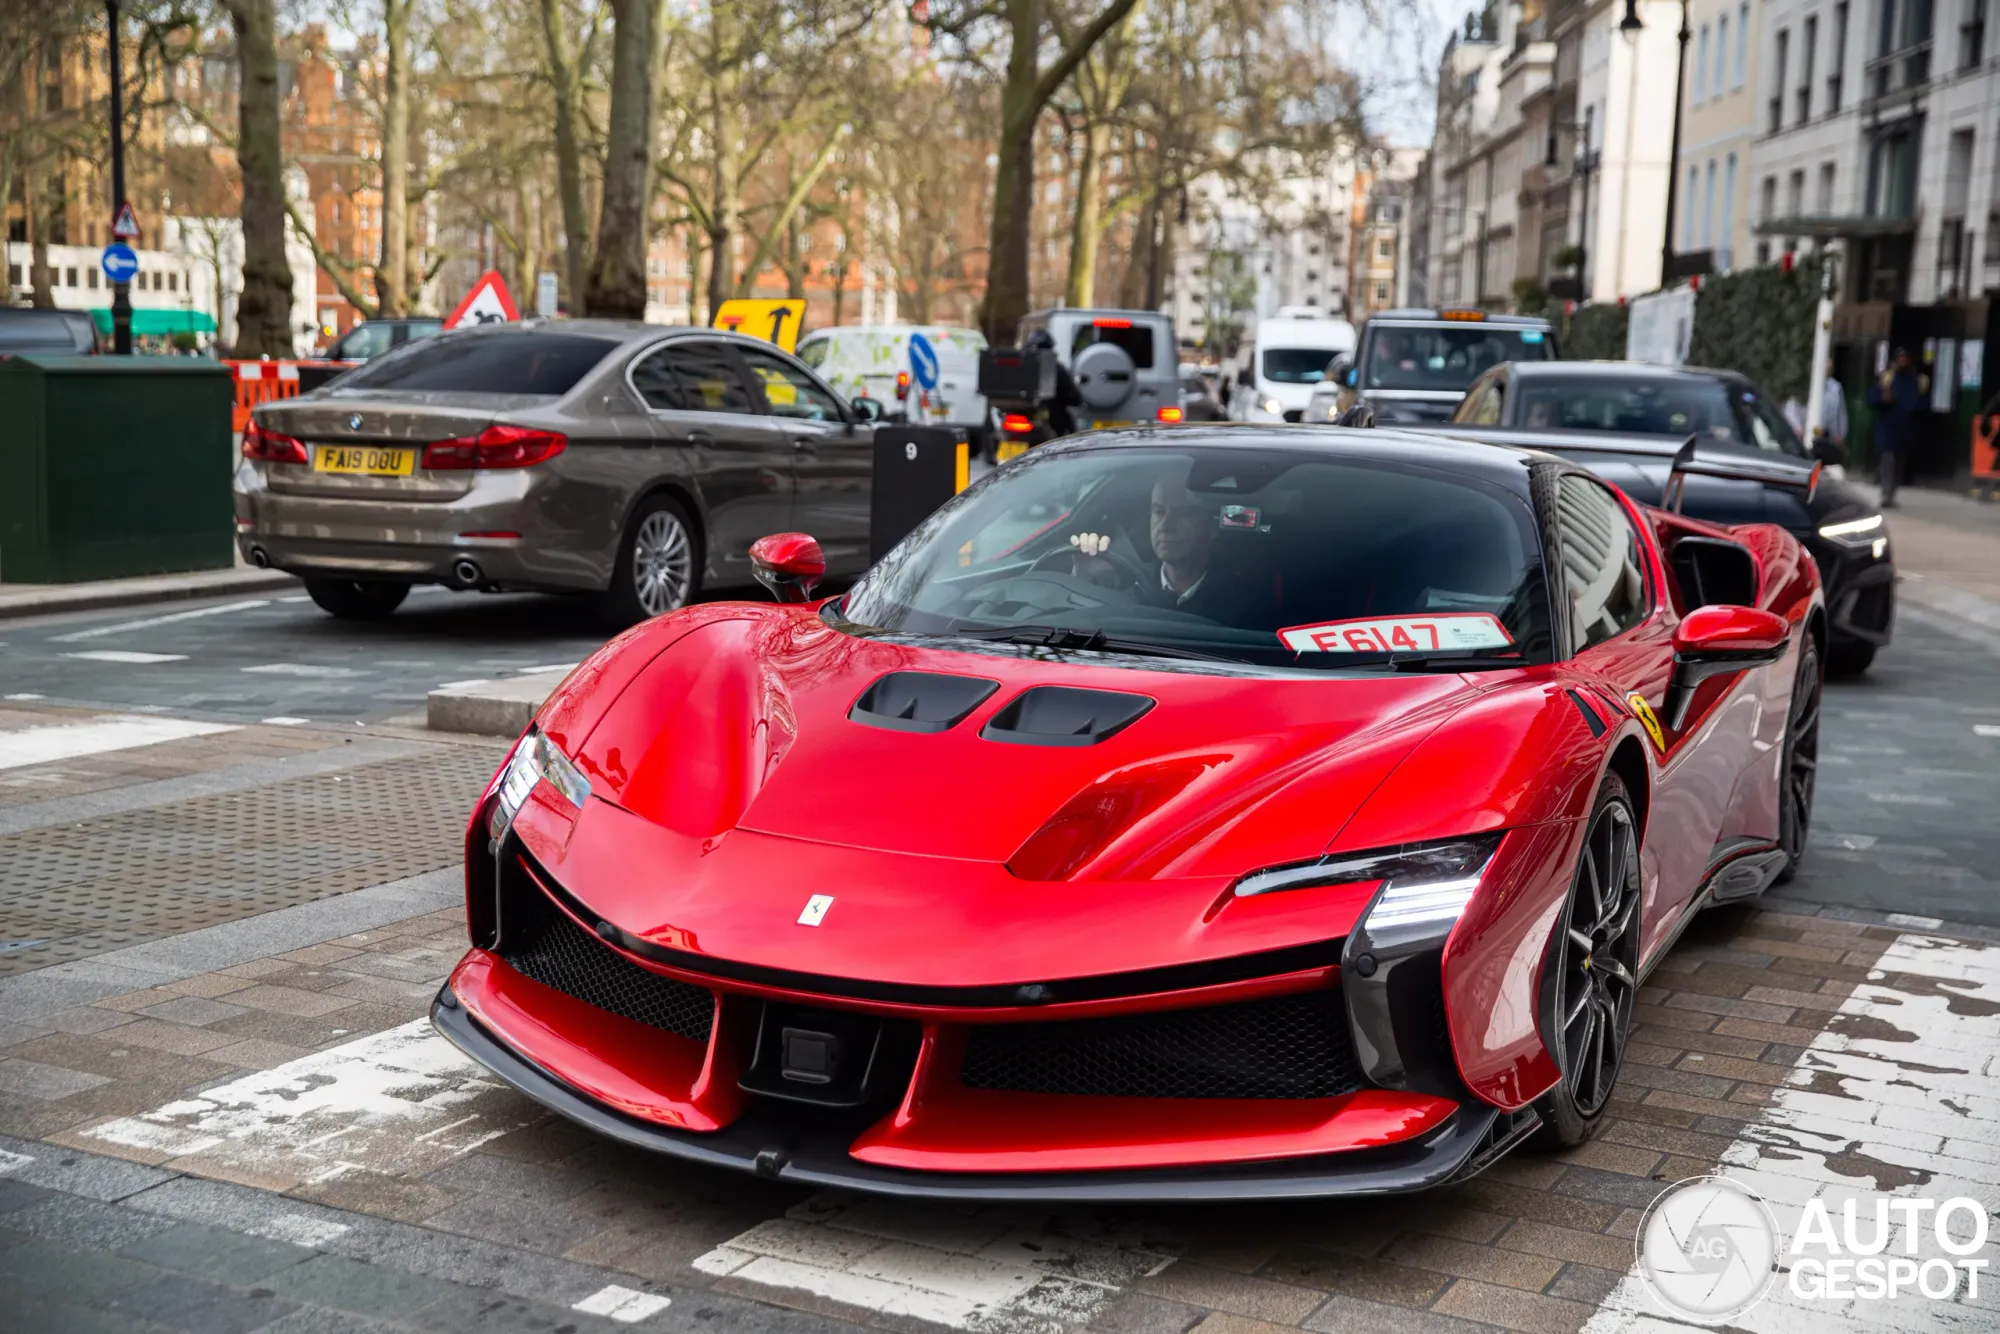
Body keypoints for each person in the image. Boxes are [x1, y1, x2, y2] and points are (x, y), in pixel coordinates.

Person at [1866, 348, 1928, 507]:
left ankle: (1892, 492)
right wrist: (1882, 399)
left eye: (1905, 358)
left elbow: (1923, 404)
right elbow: (1872, 398)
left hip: (1905, 429)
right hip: (1887, 427)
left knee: (1899, 463)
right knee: (1887, 460)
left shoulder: (1917, 380)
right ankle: (1886, 494)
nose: (1902, 361)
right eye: (1900, 358)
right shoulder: (1887, 378)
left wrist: (1914, 411)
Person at [1023, 328, 1082, 437]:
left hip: (1022, 416)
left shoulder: (1020, 365)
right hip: (1053, 421)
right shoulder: (1057, 369)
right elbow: (1074, 396)